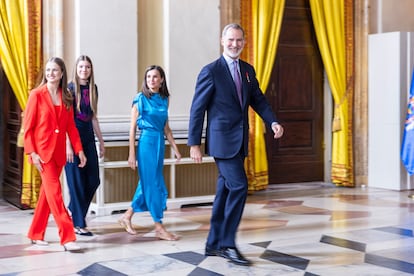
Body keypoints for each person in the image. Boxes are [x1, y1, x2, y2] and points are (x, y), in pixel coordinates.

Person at [188, 23, 284, 266]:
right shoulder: (210, 71)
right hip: (221, 142)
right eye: (231, 40)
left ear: (244, 42)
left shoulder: (248, 70)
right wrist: (194, 143)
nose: (235, 44)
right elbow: (197, 109)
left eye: (239, 40)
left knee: (226, 191)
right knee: (240, 186)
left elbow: (259, 101)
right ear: (222, 40)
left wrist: (272, 121)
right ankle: (228, 244)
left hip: (240, 141)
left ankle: (213, 243)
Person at [23, 57, 87, 252]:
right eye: (48, 70)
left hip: (58, 154)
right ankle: (67, 236)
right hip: (42, 154)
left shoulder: (66, 96)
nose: (51, 73)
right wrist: (32, 153)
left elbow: (71, 128)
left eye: (55, 70)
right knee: (56, 195)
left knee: (46, 195)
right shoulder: (36, 95)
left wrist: (79, 150)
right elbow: (28, 128)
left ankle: (35, 232)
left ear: (61, 74)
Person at [118, 65, 182, 241]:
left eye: (155, 77)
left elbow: (166, 128)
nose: (151, 80)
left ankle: (127, 216)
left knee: (147, 182)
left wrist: (176, 149)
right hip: (146, 143)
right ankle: (159, 226)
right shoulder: (139, 99)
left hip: (160, 143)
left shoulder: (164, 99)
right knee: (154, 183)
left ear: (161, 79)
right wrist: (131, 154)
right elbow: (131, 129)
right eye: (148, 77)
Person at [64, 55, 104, 236]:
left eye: (87, 67)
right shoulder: (69, 89)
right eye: (81, 67)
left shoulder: (93, 88)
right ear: (76, 68)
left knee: (94, 179)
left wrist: (101, 142)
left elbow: (93, 117)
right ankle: (78, 224)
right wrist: (68, 145)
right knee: (77, 182)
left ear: (91, 69)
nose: (84, 70)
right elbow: (63, 120)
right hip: (72, 139)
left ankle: (73, 208)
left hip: (88, 138)